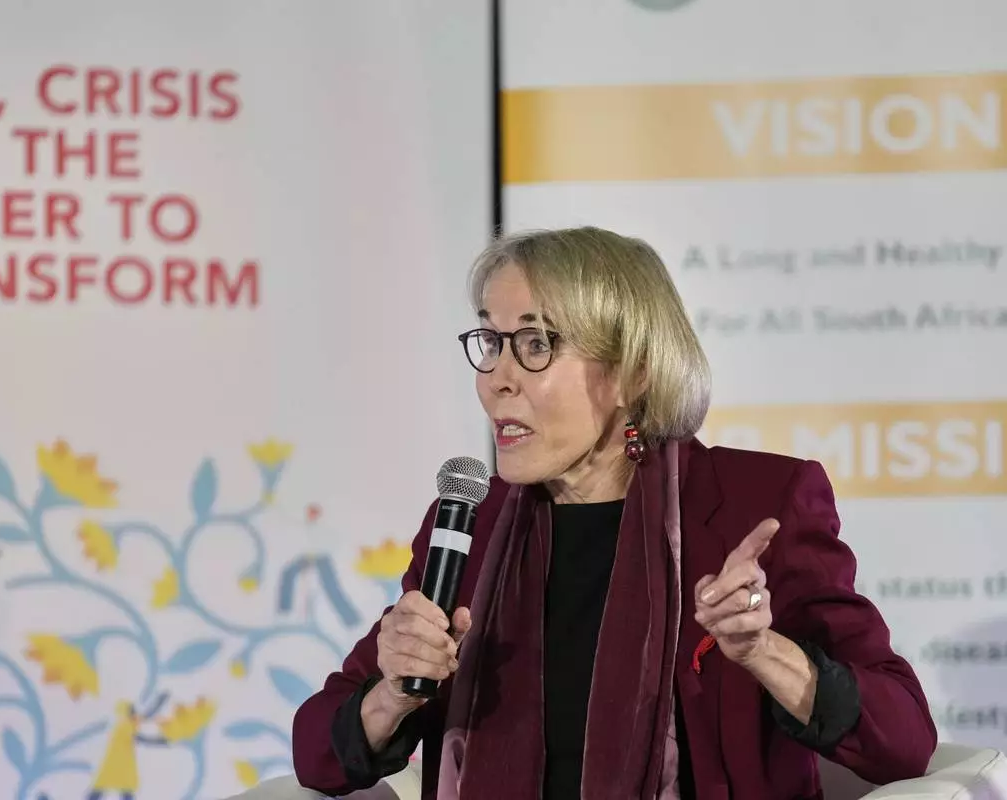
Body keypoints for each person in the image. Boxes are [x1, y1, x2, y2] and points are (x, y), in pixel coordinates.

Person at [290, 227, 936, 800]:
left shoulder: (755, 503)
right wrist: (393, 692)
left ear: (632, 372)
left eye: (535, 344)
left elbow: (902, 738)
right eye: (490, 340)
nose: (496, 378)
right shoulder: (468, 524)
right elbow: (316, 752)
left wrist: (764, 651)